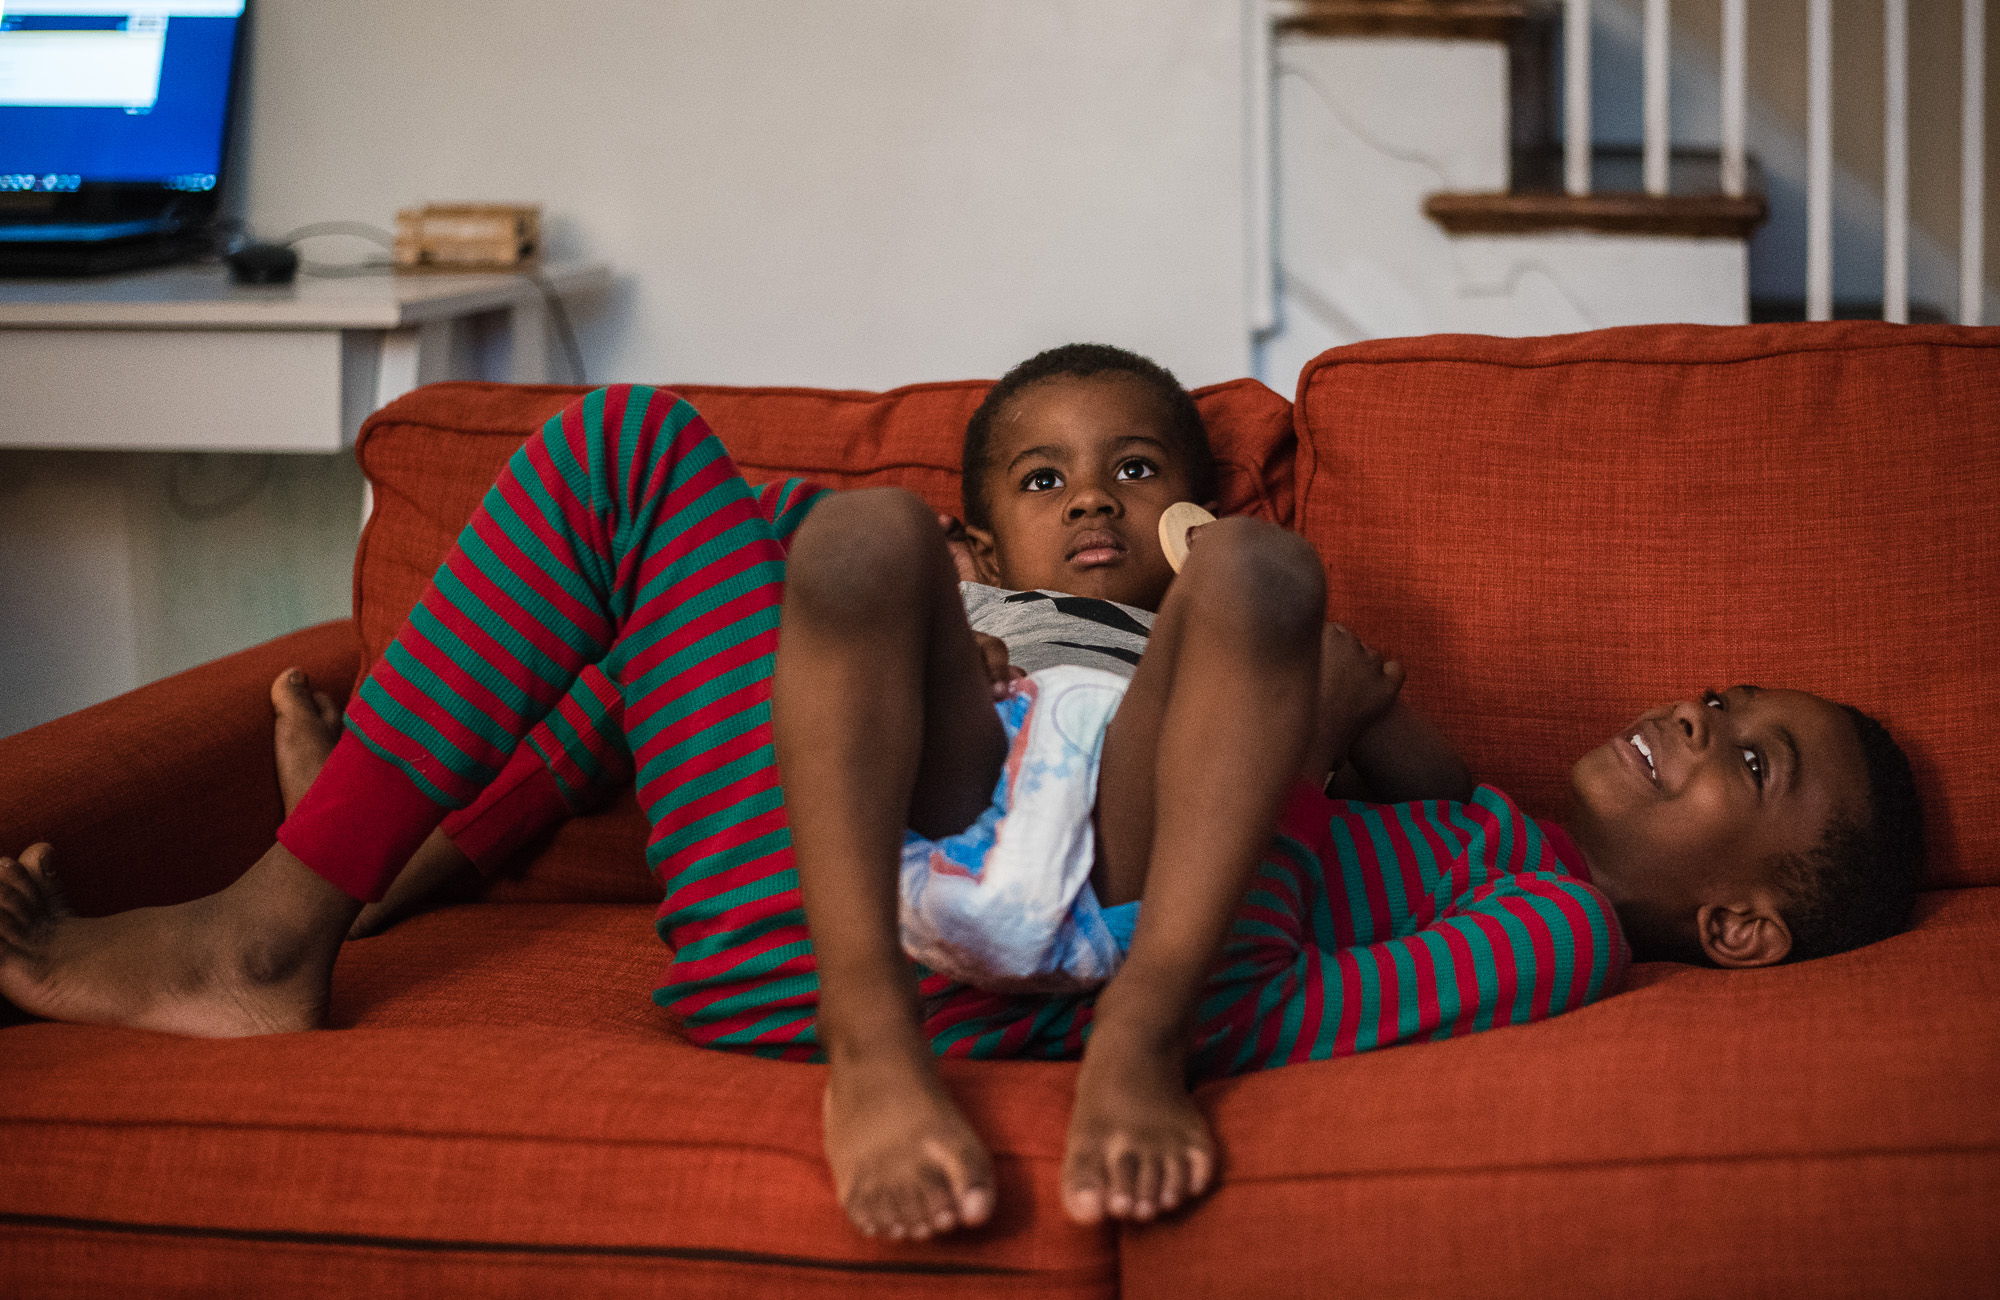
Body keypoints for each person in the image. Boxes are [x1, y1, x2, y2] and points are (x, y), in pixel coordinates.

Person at [0, 347, 1923, 1242]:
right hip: (829, 893)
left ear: (1743, 916)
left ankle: (1048, 1053)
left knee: (1257, 574)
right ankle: (281, 922)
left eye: (1750, 756)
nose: (1693, 710)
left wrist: (1154, 968)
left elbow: (1317, 988)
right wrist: (444, 847)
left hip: (1089, 953)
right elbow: (618, 731)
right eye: (1723, 693)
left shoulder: (1561, 917)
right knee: (655, 464)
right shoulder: (1447, 792)